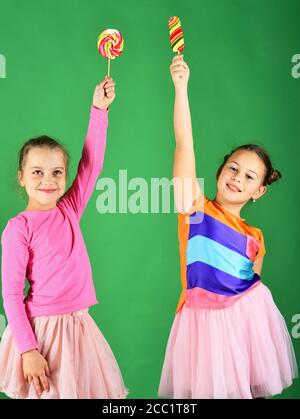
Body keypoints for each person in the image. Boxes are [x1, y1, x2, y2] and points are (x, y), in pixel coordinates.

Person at [158, 55, 298, 399]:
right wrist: (181, 88)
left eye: (250, 176)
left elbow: (250, 292)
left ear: (259, 191)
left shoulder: (256, 239)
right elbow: (184, 144)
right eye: (233, 168)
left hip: (244, 322)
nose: (238, 178)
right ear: (220, 172)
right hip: (200, 325)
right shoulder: (194, 209)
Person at [0, 77, 128, 399]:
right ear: (22, 177)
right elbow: (12, 294)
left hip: (80, 329)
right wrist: (28, 349)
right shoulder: (19, 228)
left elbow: (91, 164)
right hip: (43, 332)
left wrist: (99, 109)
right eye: (37, 172)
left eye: (57, 172)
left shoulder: (69, 209)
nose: (48, 180)